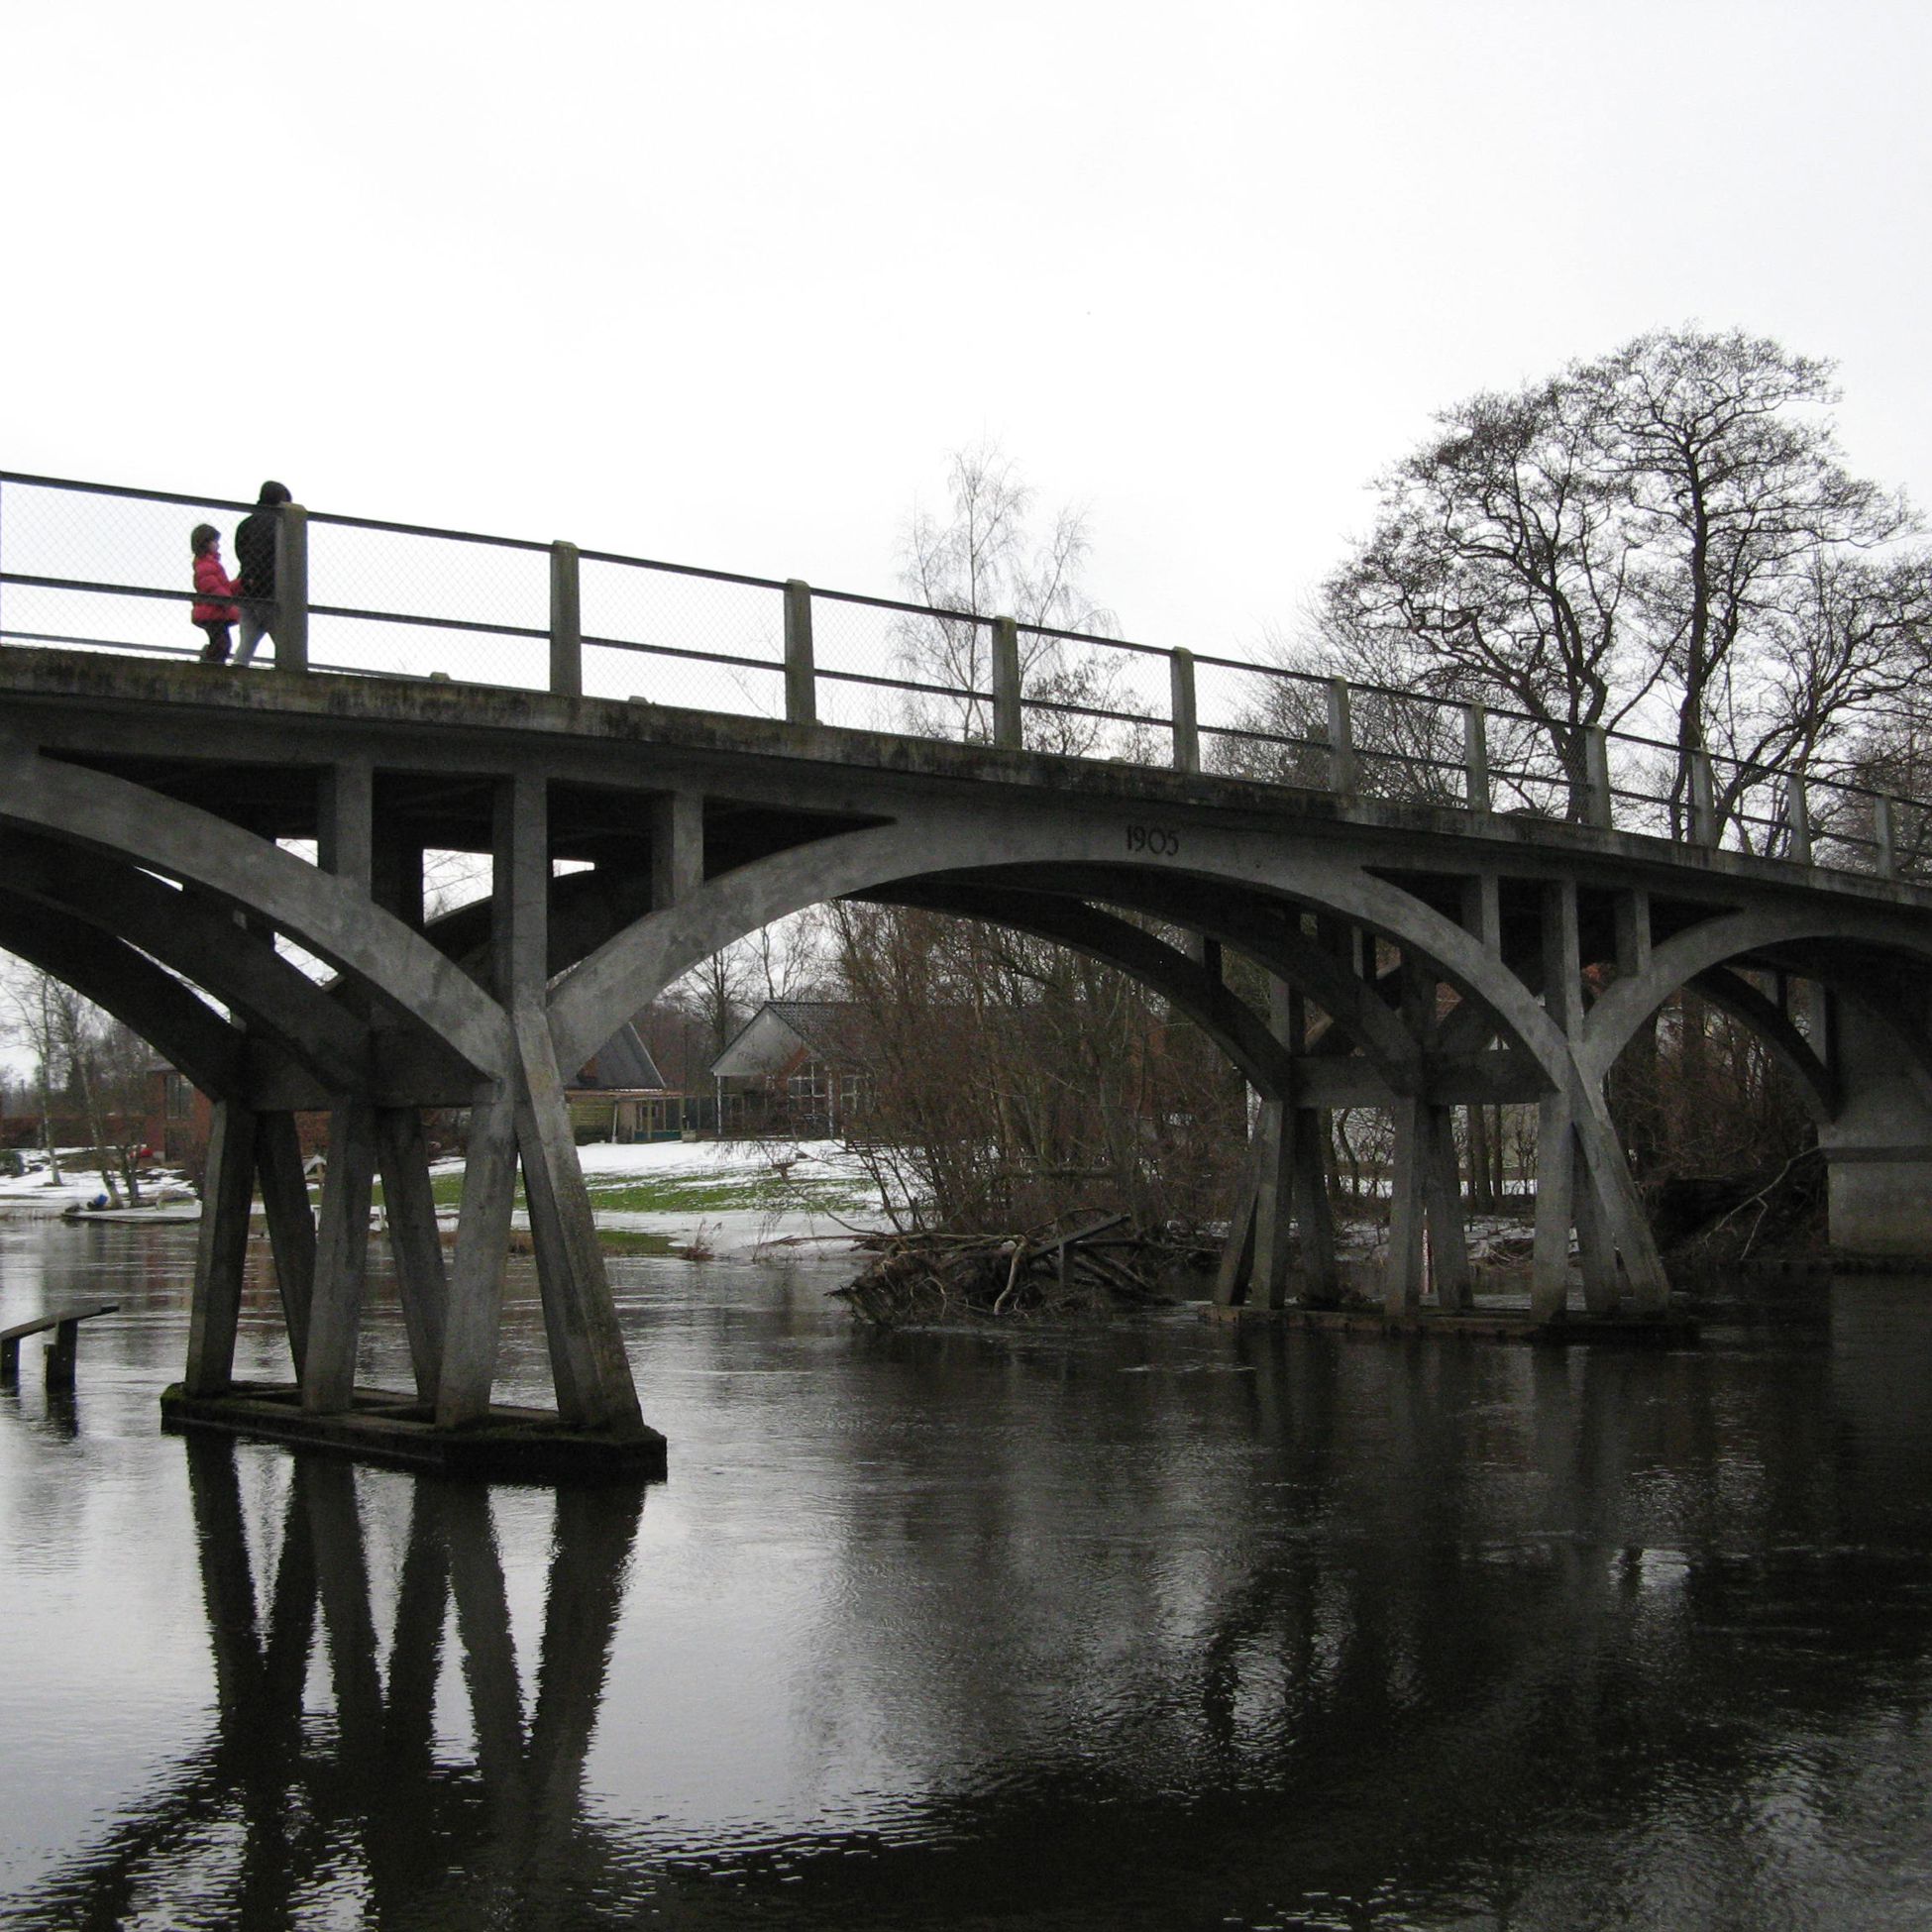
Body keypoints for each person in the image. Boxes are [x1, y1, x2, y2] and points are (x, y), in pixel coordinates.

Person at [233, 480, 292, 666]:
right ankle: (291, 677)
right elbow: (265, 554)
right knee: (286, 642)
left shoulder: (246, 523)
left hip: (246, 590)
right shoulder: (277, 523)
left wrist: (248, 577)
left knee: (247, 642)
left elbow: (240, 551)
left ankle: (236, 674)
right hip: (269, 590)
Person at [189, 524, 241, 663]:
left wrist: (237, 585)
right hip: (214, 611)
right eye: (215, 541)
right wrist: (226, 599)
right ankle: (209, 664)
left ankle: (210, 663)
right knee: (222, 643)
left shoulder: (208, 563)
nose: (218, 545)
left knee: (220, 642)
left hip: (214, 610)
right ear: (206, 543)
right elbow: (211, 586)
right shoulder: (207, 564)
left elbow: (220, 586)